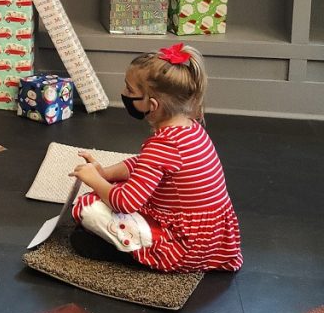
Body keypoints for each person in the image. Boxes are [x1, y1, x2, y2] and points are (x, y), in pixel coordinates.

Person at [69, 43, 242, 272]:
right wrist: (106, 173)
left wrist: (94, 179)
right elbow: (144, 165)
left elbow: (126, 202)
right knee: (115, 185)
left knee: (87, 206)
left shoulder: (163, 144)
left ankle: (131, 253)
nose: (124, 94)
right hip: (215, 240)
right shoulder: (190, 127)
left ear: (152, 105)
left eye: (130, 91)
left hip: (186, 247)